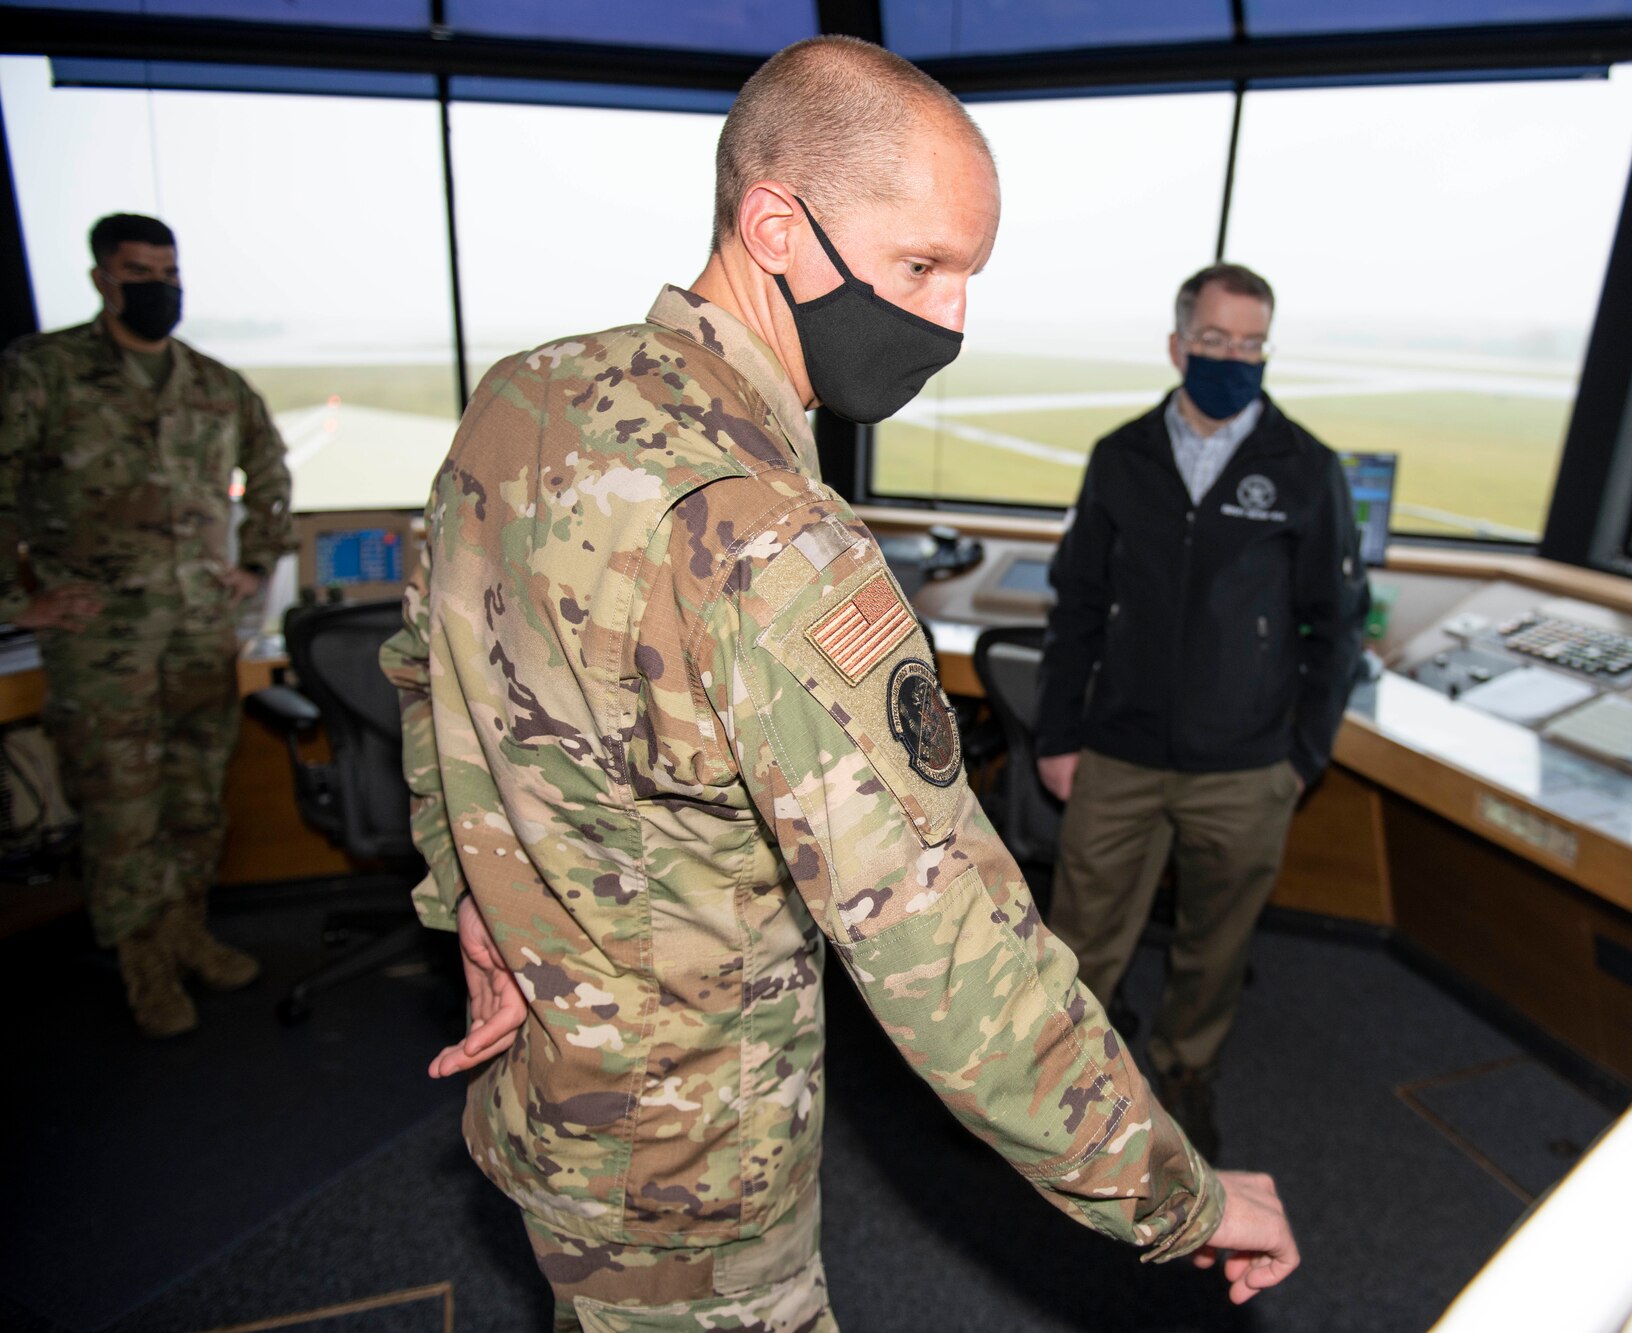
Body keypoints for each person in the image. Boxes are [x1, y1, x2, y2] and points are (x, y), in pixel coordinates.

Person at [381, 36, 1298, 1331]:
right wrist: (1179, 1195)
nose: (950, 318)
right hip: (696, 1164)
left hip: (552, 1084)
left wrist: (470, 892)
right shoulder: (775, 540)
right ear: (773, 224)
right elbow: (947, 945)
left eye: (970, 277)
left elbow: (438, 669)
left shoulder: (529, 398)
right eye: (921, 265)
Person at [1036, 262, 1371, 1162]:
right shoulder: (1122, 457)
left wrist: (1302, 756)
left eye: (1251, 344)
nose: (1234, 358)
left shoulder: (1306, 470)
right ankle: (1069, 1085)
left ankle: (1186, 1072)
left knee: (1214, 947)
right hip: (1119, 752)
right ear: (1179, 344)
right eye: (1216, 341)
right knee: (1082, 937)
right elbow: (1075, 606)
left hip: (1247, 766)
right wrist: (1059, 735)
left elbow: (1336, 627)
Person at [0, 212, 292, 1038]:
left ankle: (186, 931)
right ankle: (146, 966)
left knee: (196, 797)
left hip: (201, 630)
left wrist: (256, 562)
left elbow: (267, 466)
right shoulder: (44, 372)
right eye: (139, 272)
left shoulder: (211, 381)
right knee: (122, 808)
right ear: (102, 279)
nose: (159, 287)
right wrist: (14, 602)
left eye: (169, 271)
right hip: (101, 638)